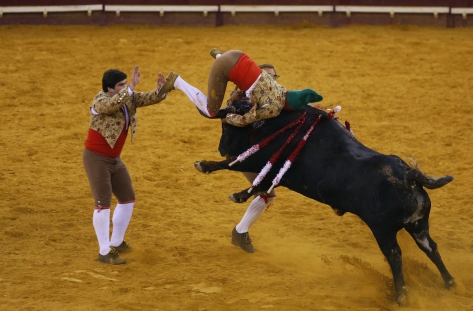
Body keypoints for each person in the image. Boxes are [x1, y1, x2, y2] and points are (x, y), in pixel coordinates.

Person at [82, 66, 166, 265]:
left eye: (125, 84)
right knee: (102, 203)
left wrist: (161, 90)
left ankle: (116, 241)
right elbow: (111, 106)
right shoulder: (100, 100)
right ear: (110, 89)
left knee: (127, 198)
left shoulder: (127, 97)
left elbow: (148, 98)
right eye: (121, 85)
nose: (125, 87)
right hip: (96, 158)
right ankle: (104, 251)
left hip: (114, 158)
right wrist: (130, 88)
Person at [157, 49, 323, 127]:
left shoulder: (280, 88)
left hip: (237, 55)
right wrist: (228, 118)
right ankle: (177, 81)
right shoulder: (274, 109)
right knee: (210, 111)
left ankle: (219, 54)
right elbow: (245, 120)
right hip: (225, 68)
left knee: (230, 67)